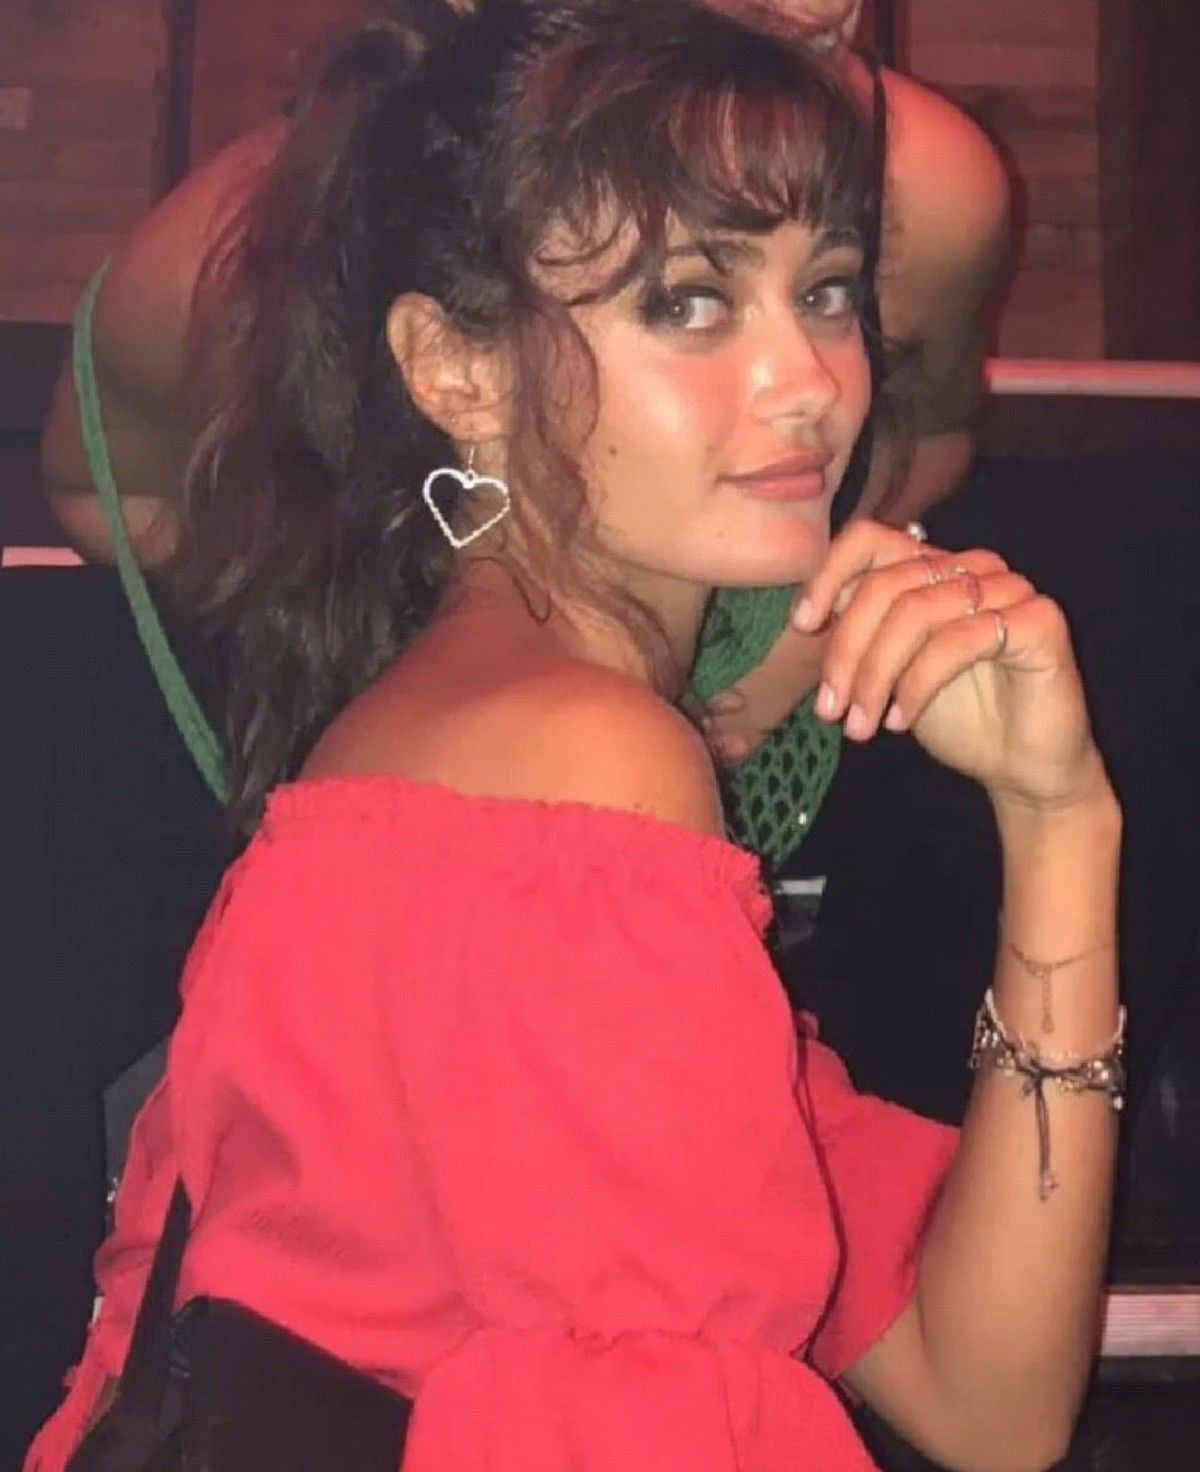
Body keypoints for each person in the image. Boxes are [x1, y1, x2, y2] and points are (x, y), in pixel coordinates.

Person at [27, 4, 1120, 1470]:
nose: (813, 381)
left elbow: (990, 1400)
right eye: (691, 302)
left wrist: (1060, 824)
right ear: (455, 370)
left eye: (830, 290)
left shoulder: (483, 759)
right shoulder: (589, 776)